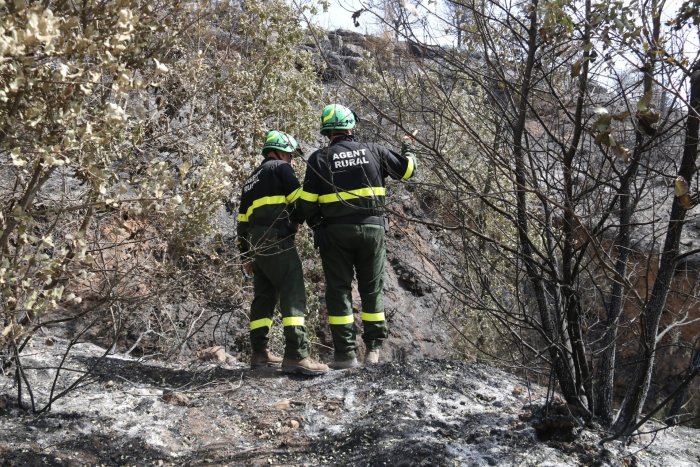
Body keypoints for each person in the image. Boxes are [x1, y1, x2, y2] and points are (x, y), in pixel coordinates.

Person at [299, 104, 417, 369]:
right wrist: (408, 146)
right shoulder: (375, 150)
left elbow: (306, 204)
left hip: (335, 233)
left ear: (327, 130)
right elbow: (408, 171)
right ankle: (373, 350)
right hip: (372, 230)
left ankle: (345, 355)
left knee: (339, 290)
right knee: (371, 288)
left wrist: (318, 223)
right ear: (351, 126)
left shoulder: (319, 158)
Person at [236, 130, 329, 376]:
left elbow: (242, 222)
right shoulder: (281, 169)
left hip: (256, 244)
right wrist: (299, 222)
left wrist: (246, 256)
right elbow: (301, 201)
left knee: (264, 297)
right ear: (278, 152)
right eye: (290, 155)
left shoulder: (251, 179)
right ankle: (296, 355)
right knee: (293, 291)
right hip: (277, 238)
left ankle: (259, 353)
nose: (292, 160)